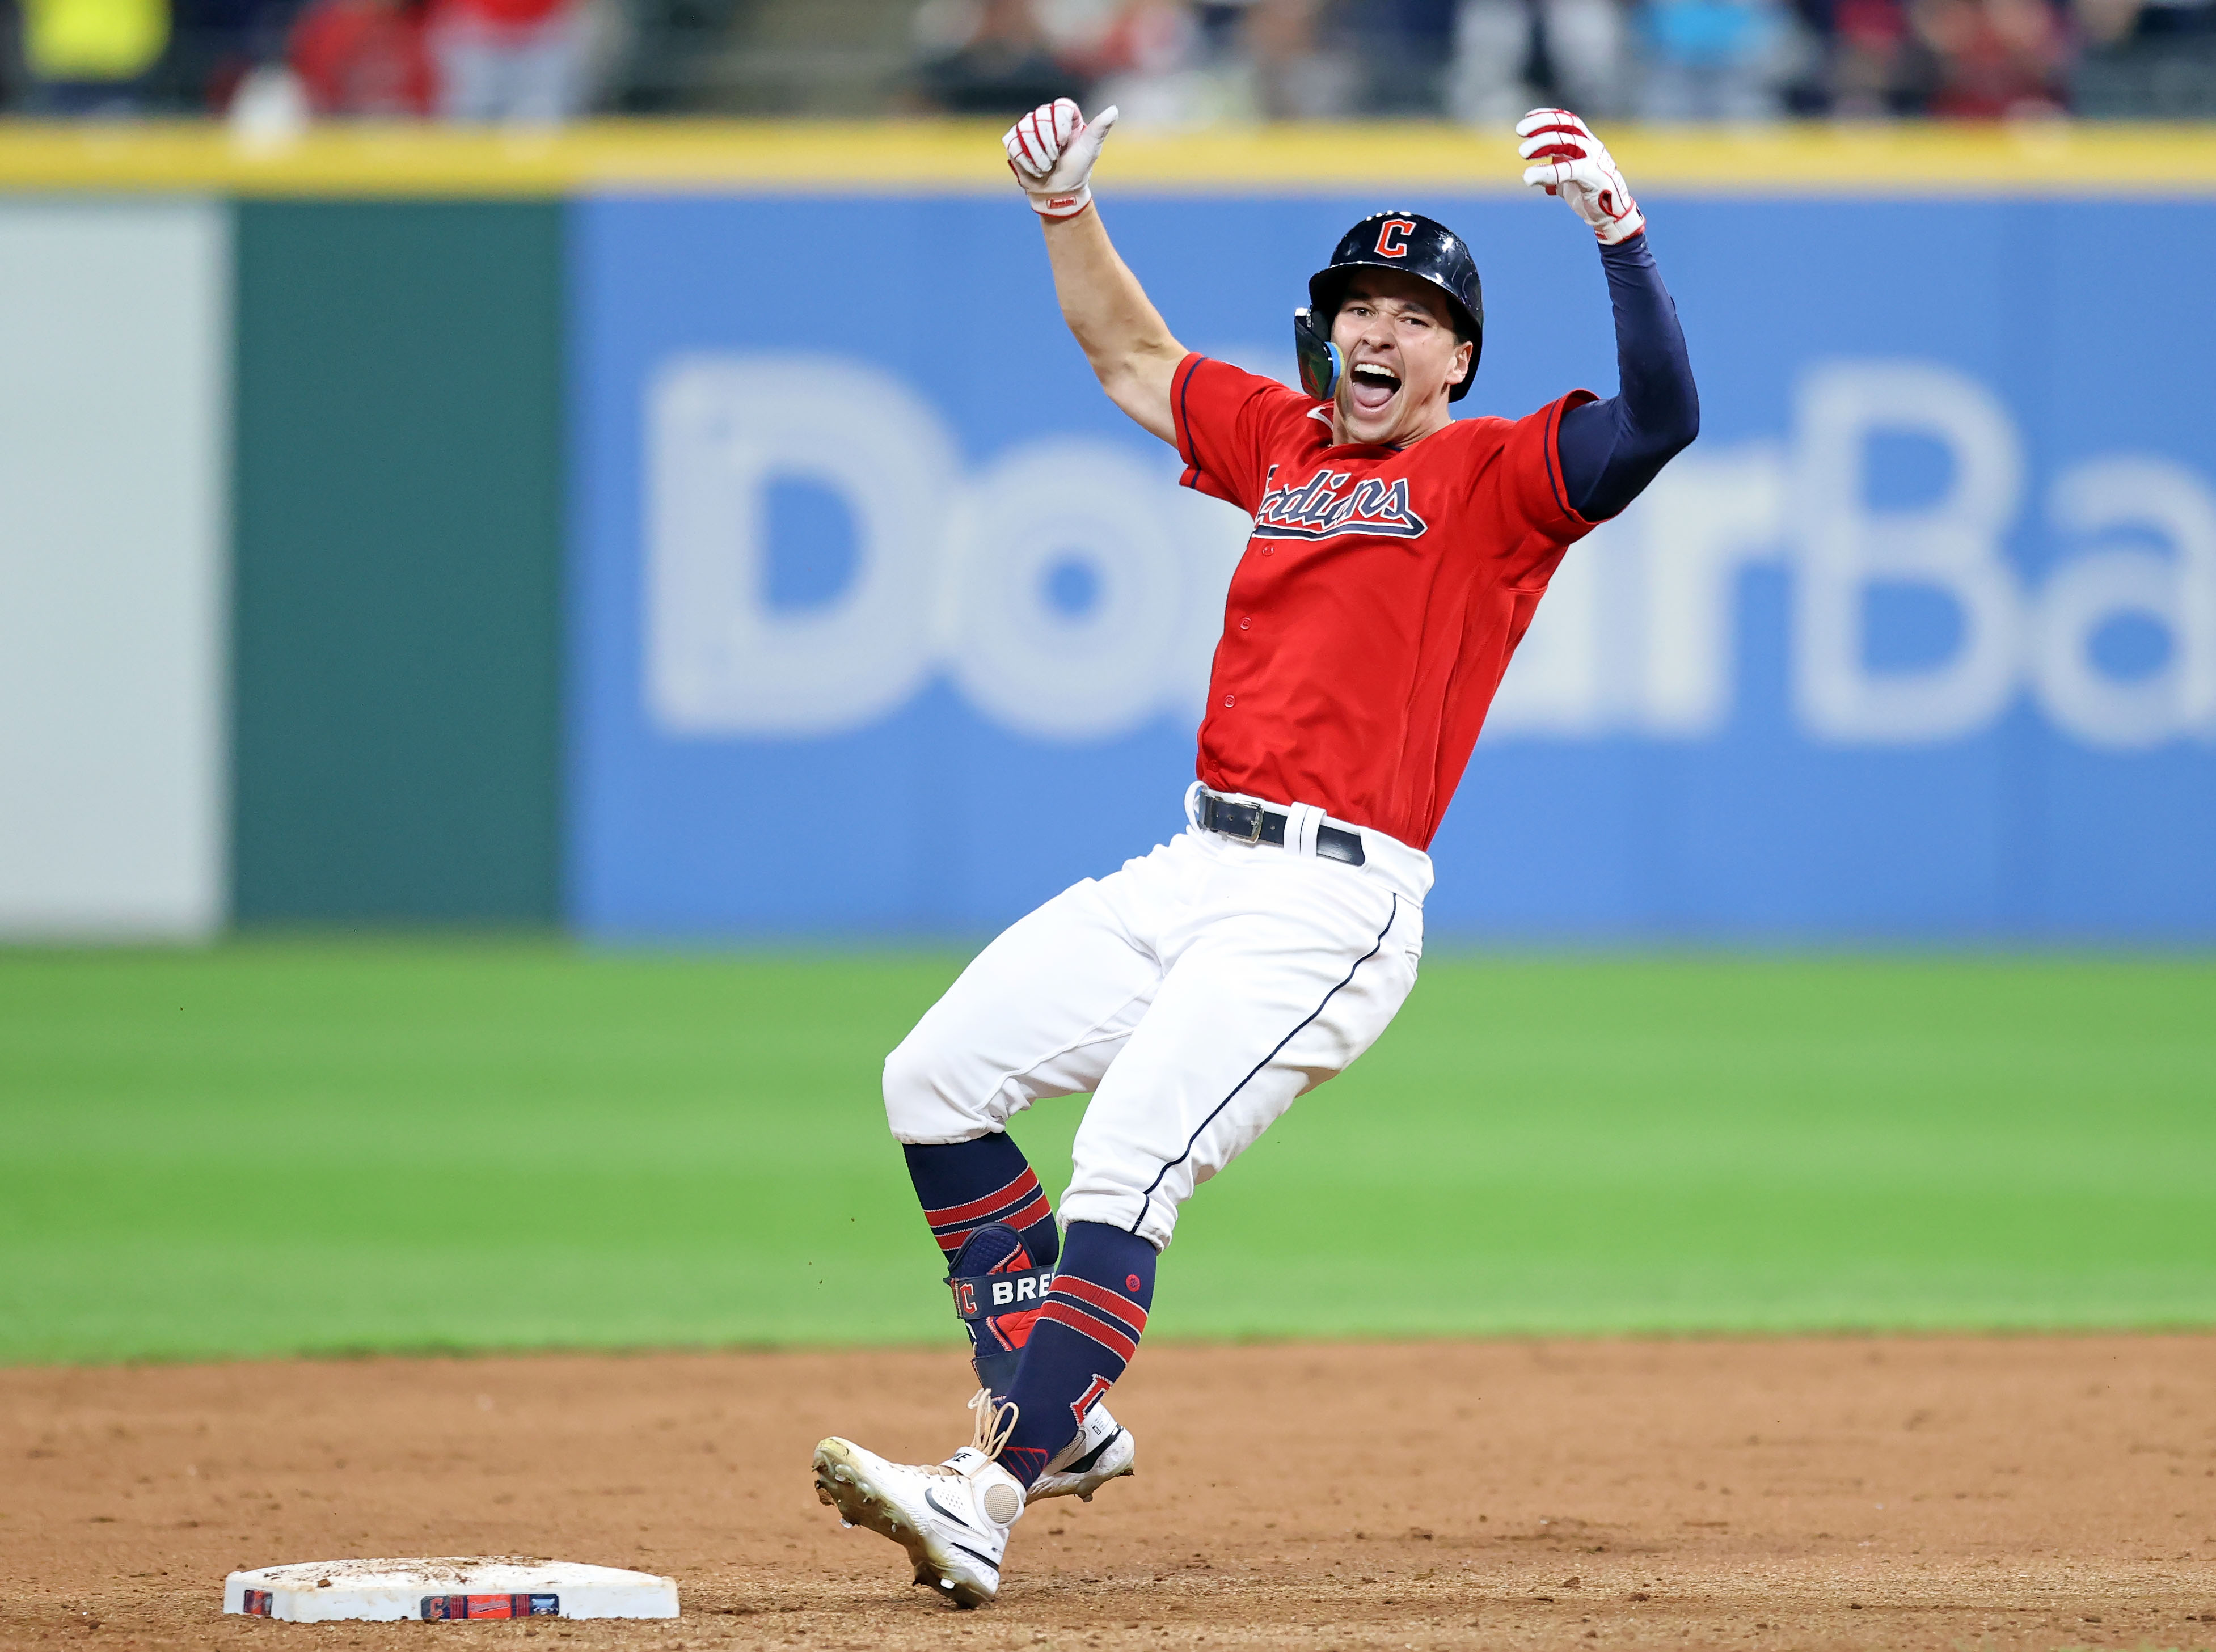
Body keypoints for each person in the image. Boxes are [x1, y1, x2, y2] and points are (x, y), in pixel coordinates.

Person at [810, 101, 1699, 1609]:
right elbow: (1132, 359)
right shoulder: (1283, 443)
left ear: (1458, 361)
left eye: (1414, 318)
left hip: (1330, 901)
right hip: (1192, 861)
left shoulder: (1496, 478)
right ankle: (1060, 1412)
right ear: (1323, 330)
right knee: (933, 1078)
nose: (1379, 328)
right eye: (1358, 303)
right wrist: (1063, 206)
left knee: (1126, 1159)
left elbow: (1657, 422)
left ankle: (984, 1486)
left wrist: (1618, 234)